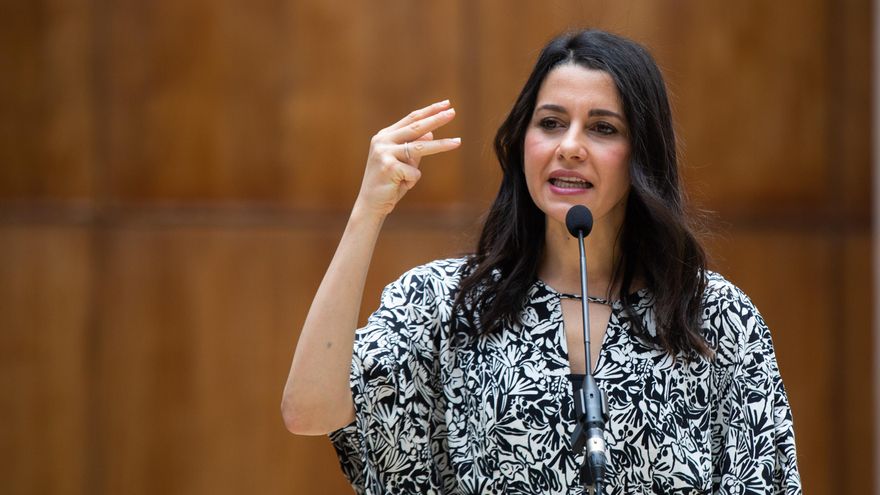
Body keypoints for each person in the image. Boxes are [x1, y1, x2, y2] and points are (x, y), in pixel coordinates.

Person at [282, 29, 802, 494]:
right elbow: (309, 411)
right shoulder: (447, 303)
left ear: (641, 153)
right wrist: (368, 212)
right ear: (523, 143)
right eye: (551, 122)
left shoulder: (713, 317)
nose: (569, 146)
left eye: (602, 129)